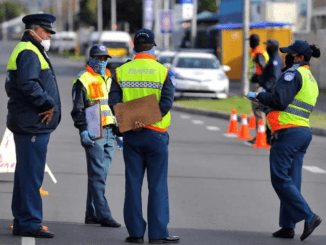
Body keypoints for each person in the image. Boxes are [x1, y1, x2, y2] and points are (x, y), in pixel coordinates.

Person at [109, 29, 180, 244]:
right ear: (153, 46)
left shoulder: (121, 71)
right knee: (157, 184)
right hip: (156, 134)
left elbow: (114, 101)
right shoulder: (163, 72)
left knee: (132, 183)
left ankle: (135, 233)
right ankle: (158, 234)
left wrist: (133, 120)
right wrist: (145, 119)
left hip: (132, 135)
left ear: (134, 46)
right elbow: (166, 104)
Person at [246, 40, 322, 241]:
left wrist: (259, 95)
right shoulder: (310, 79)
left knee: (280, 177)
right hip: (302, 132)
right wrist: (265, 107)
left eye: (290, 54)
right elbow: (289, 106)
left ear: (298, 57)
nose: (286, 57)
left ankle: (309, 216)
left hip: (288, 133)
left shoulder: (292, 74)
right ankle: (288, 226)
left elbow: (279, 100)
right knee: (292, 180)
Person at [5, 13, 61, 238]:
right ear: (34, 30)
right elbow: (28, 84)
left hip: (29, 122)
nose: (49, 35)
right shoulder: (29, 51)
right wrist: (48, 103)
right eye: (47, 31)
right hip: (32, 122)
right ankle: (29, 222)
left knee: (25, 174)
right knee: (31, 175)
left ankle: (22, 220)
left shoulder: (30, 49)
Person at [71, 44, 122, 228]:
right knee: (98, 174)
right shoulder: (82, 80)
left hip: (110, 131)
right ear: (90, 59)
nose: (102, 61)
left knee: (100, 175)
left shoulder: (110, 78)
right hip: (93, 131)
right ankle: (104, 214)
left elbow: (114, 106)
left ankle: (91, 213)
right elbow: (78, 109)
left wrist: (119, 132)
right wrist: (83, 130)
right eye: (98, 58)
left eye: (105, 58)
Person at [258, 39, 283, 144]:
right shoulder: (273, 58)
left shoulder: (275, 60)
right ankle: (269, 137)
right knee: (268, 114)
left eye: (268, 46)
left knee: (270, 114)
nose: (266, 48)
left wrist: (267, 88)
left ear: (272, 47)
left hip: (271, 91)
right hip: (270, 90)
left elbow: (274, 77)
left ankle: (270, 138)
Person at [247, 34, 269, 144]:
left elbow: (262, 66)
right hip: (259, 84)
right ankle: (260, 135)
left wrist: (260, 78)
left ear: (252, 42)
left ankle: (261, 136)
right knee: (258, 110)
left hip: (259, 85)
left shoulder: (258, 52)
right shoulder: (259, 50)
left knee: (258, 110)